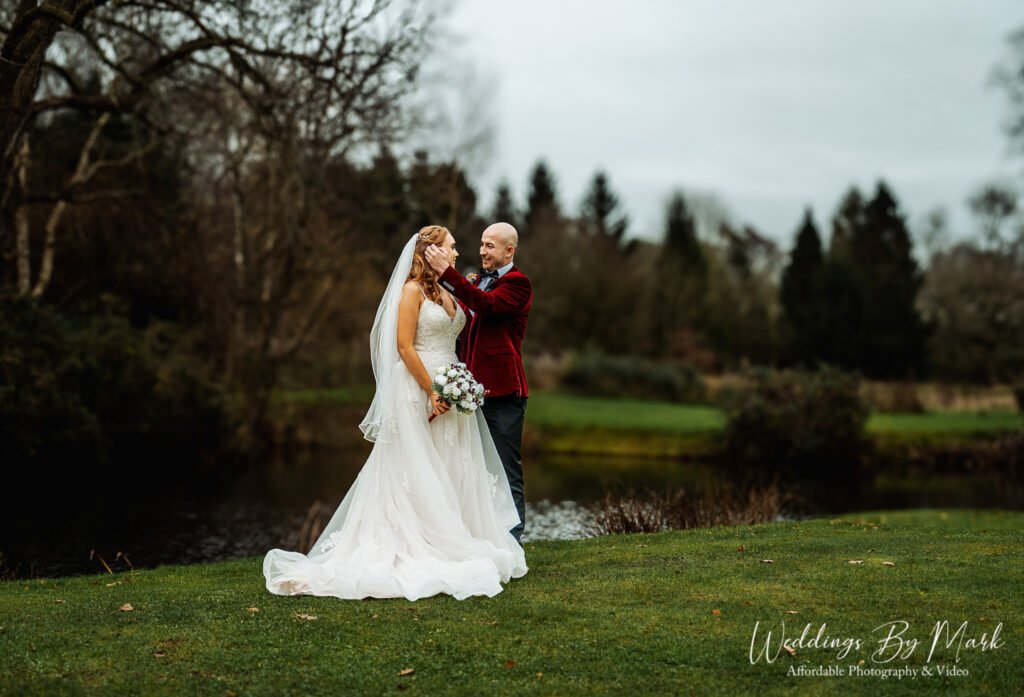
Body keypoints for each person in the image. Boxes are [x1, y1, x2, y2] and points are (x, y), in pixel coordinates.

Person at [263, 225, 527, 601]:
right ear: (431, 252)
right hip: (421, 388)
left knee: (451, 465)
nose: (459, 253)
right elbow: (404, 346)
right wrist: (433, 388)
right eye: (451, 248)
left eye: (462, 248)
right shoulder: (411, 291)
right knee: (413, 467)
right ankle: (410, 541)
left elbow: (477, 317)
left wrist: (456, 383)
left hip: (450, 389)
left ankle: (457, 536)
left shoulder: (457, 290)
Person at [424, 222, 531, 543]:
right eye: (482, 244)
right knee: (467, 465)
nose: (483, 251)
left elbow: (487, 306)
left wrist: (447, 274)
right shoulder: (474, 281)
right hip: (466, 390)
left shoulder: (518, 283)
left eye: (491, 246)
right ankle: (474, 535)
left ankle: (512, 539)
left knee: (504, 468)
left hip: (503, 391)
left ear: (509, 251)